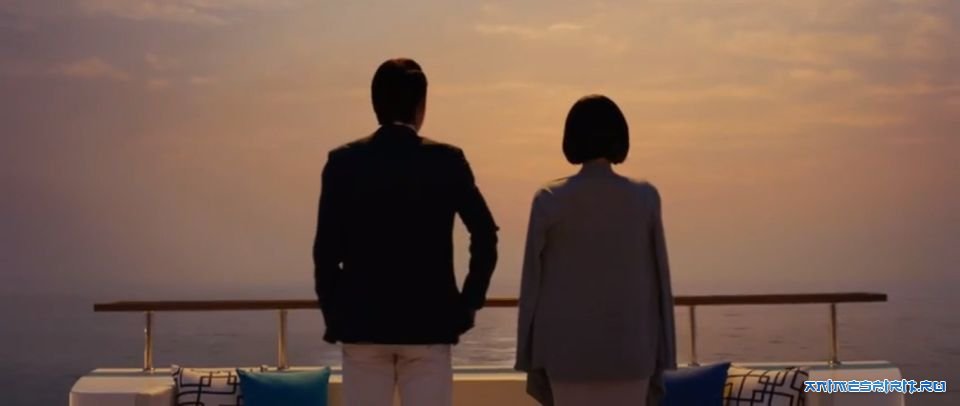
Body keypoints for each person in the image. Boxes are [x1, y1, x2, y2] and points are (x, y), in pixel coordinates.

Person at [313, 58, 499, 406]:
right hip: (429, 325)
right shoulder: (446, 160)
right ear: (420, 105)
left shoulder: (343, 162)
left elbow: (325, 252)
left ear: (375, 103)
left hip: (361, 326)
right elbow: (485, 235)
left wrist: (336, 312)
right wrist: (467, 305)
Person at [514, 95, 677, 406]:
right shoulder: (645, 198)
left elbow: (531, 285)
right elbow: (661, 284)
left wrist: (527, 358)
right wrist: (665, 356)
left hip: (565, 354)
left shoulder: (549, 199)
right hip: (632, 352)